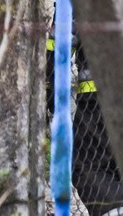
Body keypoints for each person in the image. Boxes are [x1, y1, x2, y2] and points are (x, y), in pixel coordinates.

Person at [47, 28, 123, 216]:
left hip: (98, 114)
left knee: (89, 169)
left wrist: (49, 98)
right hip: (97, 113)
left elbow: (60, 47)